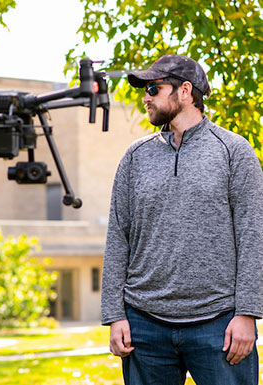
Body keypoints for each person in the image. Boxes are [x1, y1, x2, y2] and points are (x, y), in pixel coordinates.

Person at [101, 54, 263, 385]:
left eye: (153, 88)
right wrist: (115, 315)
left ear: (185, 91)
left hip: (219, 324)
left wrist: (247, 313)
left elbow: (253, 235)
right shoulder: (135, 156)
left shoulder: (234, 151)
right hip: (144, 326)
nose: (145, 97)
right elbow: (118, 235)